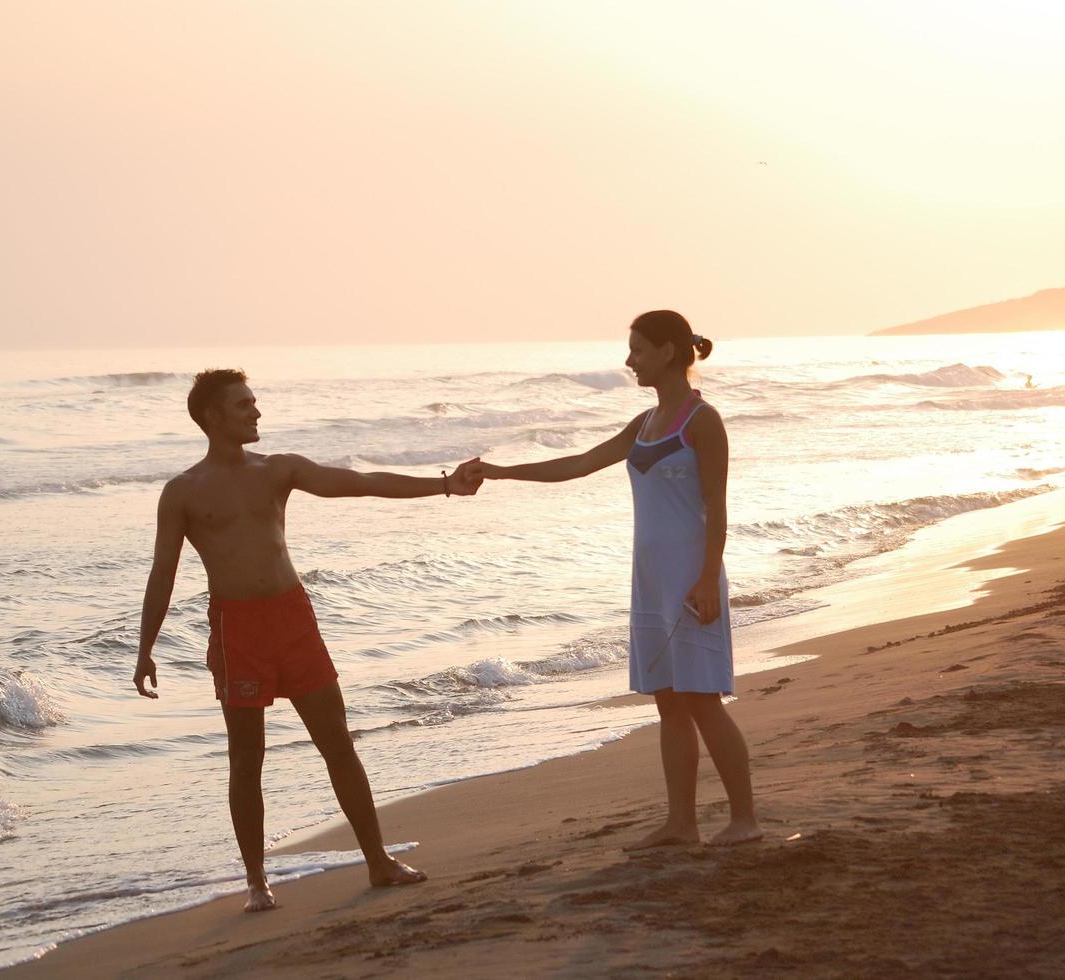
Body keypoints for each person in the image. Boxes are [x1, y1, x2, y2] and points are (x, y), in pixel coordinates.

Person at [133, 368, 483, 911]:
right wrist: (144, 648)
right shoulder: (182, 492)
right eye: (243, 405)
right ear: (211, 417)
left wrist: (443, 485)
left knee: (337, 742)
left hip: (293, 619)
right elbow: (163, 573)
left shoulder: (278, 470)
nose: (255, 412)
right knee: (246, 758)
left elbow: (361, 483)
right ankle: (256, 882)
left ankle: (379, 861)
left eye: (254, 402)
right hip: (237, 630)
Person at [477, 311, 761, 848]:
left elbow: (717, 508)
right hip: (650, 580)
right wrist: (501, 472)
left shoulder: (702, 421)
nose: (628, 360)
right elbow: (580, 464)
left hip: (691, 578)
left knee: (703, 700)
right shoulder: (645, 423)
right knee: (668, 701)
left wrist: (706, 579)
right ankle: (682, 824)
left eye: (637, 349)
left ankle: (745, 819)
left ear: (669, 353)